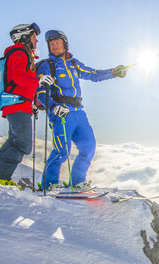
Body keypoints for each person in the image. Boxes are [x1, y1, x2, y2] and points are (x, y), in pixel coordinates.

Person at [37, 30, 127, 191]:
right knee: (61, 151)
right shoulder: (47, 66)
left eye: (57, 43)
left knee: (89, 146)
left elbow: (93, 75)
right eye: (51, 44)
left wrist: (114, 72)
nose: (54, 46)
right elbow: (41, 92)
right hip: (61, 113)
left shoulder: (73, 64)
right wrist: (53, 107)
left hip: (79, 113)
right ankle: (49, 184)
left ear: (64, 44)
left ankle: (77, 182)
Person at [0, 23, 55, 186]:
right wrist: (39, 80)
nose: (36, 40)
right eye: (33, 36)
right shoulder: (19, 52)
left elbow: (19, 84)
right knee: (23, 145)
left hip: (18, 104)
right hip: (17, 105)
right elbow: (17, 77)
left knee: (13, 143)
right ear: (24, 37)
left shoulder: (21, 53)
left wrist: (32, 104)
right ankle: (1, 179)